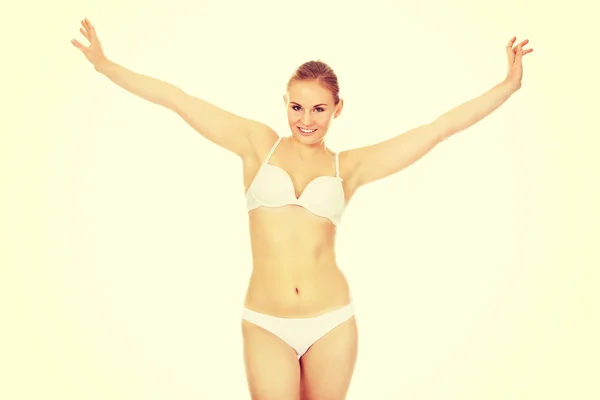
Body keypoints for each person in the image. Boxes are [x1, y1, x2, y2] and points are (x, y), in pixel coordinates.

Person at [71, 17, 533, 400]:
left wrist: (508, 86)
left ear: (337, 109)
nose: (305, 120)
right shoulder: (258, 146)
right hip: (266, 321)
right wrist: (105, 65)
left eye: (318, 109)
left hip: (331, 321)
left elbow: (437, 129)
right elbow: (178, 99)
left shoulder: (348, 166)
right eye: (296, 107)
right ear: (286, 104)